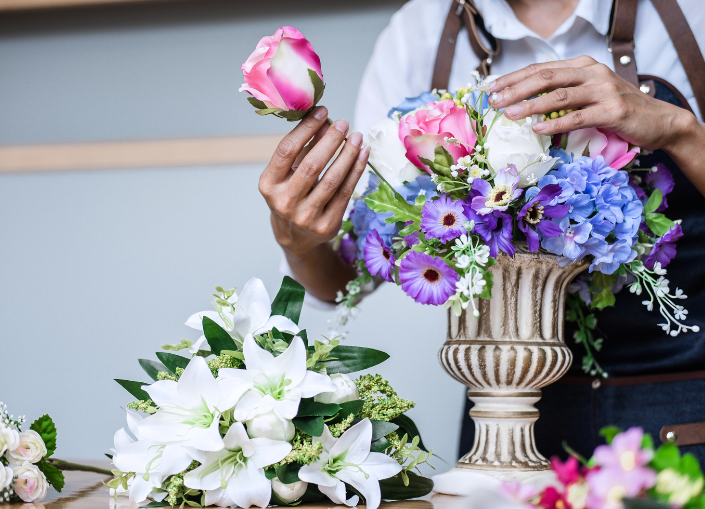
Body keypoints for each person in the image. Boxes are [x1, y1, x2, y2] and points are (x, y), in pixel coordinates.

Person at [258, 0, 705, 461]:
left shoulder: (691, 15)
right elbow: (348, 273)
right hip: (497, 429)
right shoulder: (420, 30)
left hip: (685, 418)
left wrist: (679, 130)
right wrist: (299, 243)